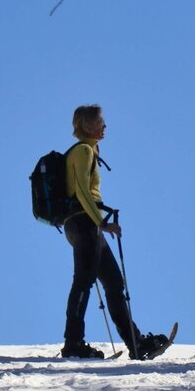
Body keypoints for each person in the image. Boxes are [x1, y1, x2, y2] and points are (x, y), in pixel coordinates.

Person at [60, 104, 167, 360]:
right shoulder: (83, 151)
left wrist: (98, 222)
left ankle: (136, 343)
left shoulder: (87, 151)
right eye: (101, 122)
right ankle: (73, 343)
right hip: (85, 224)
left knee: (114, 284)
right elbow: (83, 191)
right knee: (84, 281)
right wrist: (102, 223)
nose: (105, 126)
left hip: (81, 225)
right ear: (89, 125)